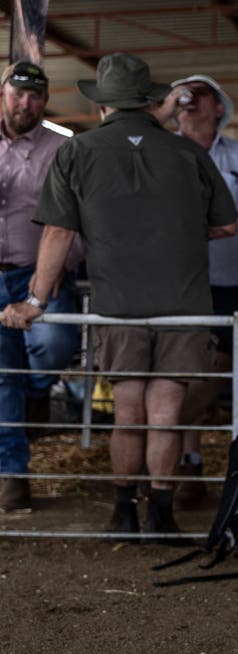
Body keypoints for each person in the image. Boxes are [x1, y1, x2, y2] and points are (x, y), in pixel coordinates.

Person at [0, 53, 237, 537]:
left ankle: (125, 511)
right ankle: (162, 515)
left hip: (118, 302)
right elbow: (228, 224)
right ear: (149, 100)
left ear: (102, 105)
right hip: (184, 303)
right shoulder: (189, 152)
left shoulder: (76, 152)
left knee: (128, 412)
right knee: (167, 413)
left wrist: (36, 301)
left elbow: (58, 235)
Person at [169, 73, 238, 509]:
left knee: (210, 373)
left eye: (202, 94)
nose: (190, 99)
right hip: (172, 282)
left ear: (220, 108)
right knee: (180, 372)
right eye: (184, 94)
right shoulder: (162, 150)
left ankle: (165, 441)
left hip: (227, 281)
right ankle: (187, 461)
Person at [0, 61, 81, 513]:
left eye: (34, 96)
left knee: (55, 344)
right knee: (2, 379)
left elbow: (75, 219)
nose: (24, 103)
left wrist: (55, 270)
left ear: (45, 102)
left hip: (40, 274)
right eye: (17, 94)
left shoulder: (62, 148)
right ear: (3, 93)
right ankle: (14, 476)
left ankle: (36, 392)